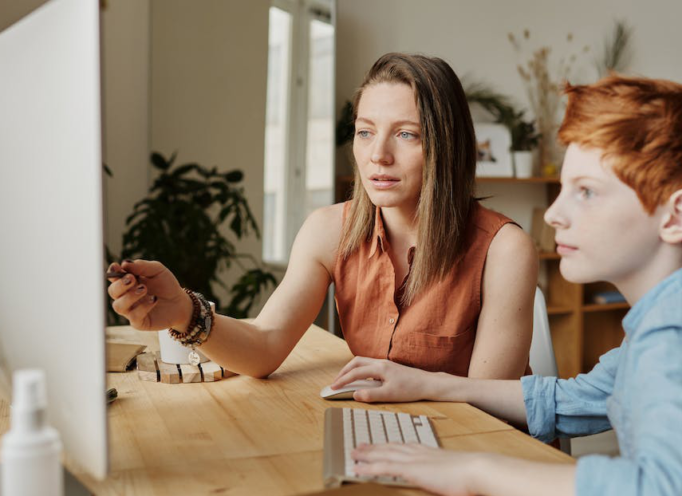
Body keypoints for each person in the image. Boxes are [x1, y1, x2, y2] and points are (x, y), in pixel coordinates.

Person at [334, 75, 682, 496]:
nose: (554, 214)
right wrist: (432, 384)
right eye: (562, 189)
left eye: (587, 193)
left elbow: (663, 491)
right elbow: (576, 399)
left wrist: (476, 470)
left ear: (676, 217)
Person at [106, 52, 538, 380]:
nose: (378, 155)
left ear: (447, 147)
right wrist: (184, 311)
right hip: (389, 437)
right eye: (365, 131)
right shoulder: (329, 230)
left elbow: (488, 408)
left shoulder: (504, 249)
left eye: (407, 134)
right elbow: (264, 346)